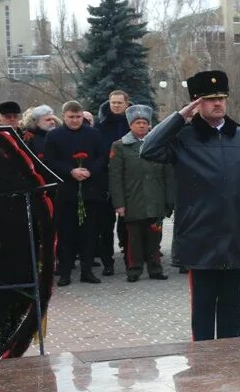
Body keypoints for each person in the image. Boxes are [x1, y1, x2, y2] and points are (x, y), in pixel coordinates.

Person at [140, 70, 240, 341]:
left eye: (221, 98)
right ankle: (204, 374)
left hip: (235, 237)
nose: (217, 103)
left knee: (232, 313)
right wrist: (178, 118)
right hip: (200, 238)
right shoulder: (183, 138)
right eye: (209, 99)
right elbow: (147, 149)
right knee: (203, 314)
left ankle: (231, 366)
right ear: (196, 104)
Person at [44, 100, 108, 286]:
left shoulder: (94, 134)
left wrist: (90, 171)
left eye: (78, 117)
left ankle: (87, 271)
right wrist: (70, 171)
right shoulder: (54, 135)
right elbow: (50, 160)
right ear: (64, 116)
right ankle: (65, 272)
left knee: (89, 233)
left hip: (90, 189)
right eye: (71, 117)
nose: (75, 120)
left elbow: (101, 157)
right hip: (66, 190)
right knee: (66, 234)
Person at [109, 105, 175, 282]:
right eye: (137, 123)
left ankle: (155, 268)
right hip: (133, 200)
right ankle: (134, 269)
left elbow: (168, 175)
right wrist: (119, 204)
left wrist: (170, 200)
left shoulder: (159, 145)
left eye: (144, 123)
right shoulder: (120, 146)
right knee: (134, 239)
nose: (141, 126)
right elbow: (115, 178)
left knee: (155, 237)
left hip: (156, 200)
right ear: (130, 125)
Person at [95, 89, 132, 276]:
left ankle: (129, 259)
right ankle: (107, 261)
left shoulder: (133, 123)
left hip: (128, 180)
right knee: (105, 224)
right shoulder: (100, 125)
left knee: (127, 223)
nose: (116, 105)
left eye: (119, 102)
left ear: (127, 103)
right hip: (105, 179)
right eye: (113, 102)